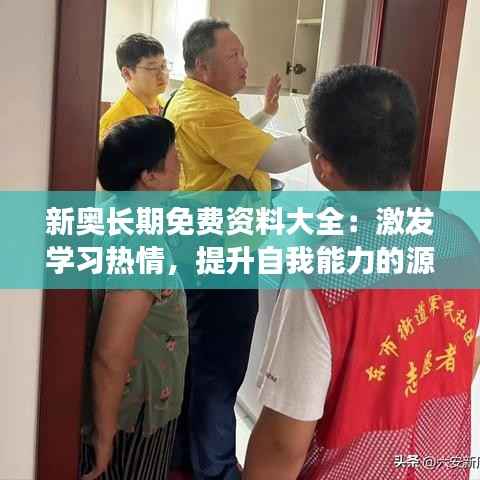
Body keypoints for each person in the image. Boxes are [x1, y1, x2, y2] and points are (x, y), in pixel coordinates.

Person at [244, 65, 480, 480]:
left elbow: (282, 445)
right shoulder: (462, 240)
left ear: (323, 165)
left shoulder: (325, 277)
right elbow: (467, 354)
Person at [165, 19, 311, 480]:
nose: (245, 63)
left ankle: (189, 459)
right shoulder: (202, 108)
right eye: (233, 56)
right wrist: (325, 131)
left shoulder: (200, 100)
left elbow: (230, 144)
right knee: (219, 367)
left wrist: (265, 115)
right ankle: (216, 470)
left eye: (243, 52)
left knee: (202, 361)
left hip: (203, 247)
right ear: (202, 65)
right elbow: (272, 157)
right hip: (219, 253)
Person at [80, 115, 188, 480]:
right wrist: (104, 434)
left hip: (117, 406)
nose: (180, 160)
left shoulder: (112, 211)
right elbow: (110, 354)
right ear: (149, 176)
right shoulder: (140, 244)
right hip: (132, 414)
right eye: (173, 153)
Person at [99, 34, 170, 142]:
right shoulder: (115, 124)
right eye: (152, 68)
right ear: (127, 73)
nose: (162, 74)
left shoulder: (164, 107)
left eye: (163, 66)